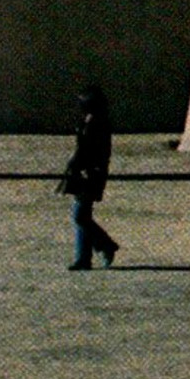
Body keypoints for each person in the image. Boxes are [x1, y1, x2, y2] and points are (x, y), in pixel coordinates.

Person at [58, 84, 118, 270]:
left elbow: (88, 151)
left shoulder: (95, 124)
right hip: (87, 173)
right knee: (82, 214)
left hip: (90, 174)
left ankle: (105, 245)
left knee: (80, 216)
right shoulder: (92, 122)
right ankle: (83, 258)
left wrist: (77, 167)